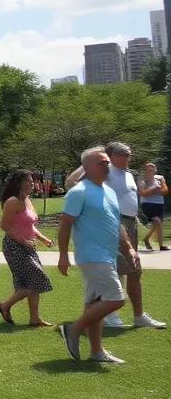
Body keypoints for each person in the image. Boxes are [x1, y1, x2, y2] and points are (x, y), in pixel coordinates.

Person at [65, 143, 165, 329]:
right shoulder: (104, 171)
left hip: (130, 224)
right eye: (123, 154)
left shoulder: (128, 175)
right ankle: (110, 316)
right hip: (114, 224)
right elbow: (71, 183)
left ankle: (138, 316)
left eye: (129, 153)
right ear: (110, 156)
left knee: (135, 270)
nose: (128, 156)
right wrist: (90, 159)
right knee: (116, 269)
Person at [56, 147, 141, 364]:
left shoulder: (109, 192)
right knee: (115, 298)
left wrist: (129, 248)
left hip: (108, 255)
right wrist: (63, 255)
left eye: (107, 162)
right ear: (88, 168)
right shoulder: (79, 192)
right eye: (102, 162)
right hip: (92, 257)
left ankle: (96, 352)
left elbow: (117, 225)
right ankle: (73, 329)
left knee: (94, 304)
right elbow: (65, 226)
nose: (107, 166)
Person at [0, 170, 54, 327]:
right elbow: (4, 225)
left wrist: (43, 239)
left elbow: (29, 225)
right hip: (14, 246)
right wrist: (21, 240)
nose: (32, 183)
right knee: (36, 280)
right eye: (29, 181)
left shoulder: (27, 200)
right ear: (20, 183)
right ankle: (5, 305)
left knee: (32, 282)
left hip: (29, 246)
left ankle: (34, 319)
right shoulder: (12, 201)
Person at [139, 162, 169, 251]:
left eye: (152, 169)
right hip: (147, 204)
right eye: (148, 169)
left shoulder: (160, 179)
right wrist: (155, 189)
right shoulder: (142, 180)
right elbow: (143, 193)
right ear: (145, 170)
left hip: (159, 203)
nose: (151, 171)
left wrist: (162, 183)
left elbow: (165, 191)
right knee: (157, 221)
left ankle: (146, 238)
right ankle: (161, 245)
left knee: (156, 224)